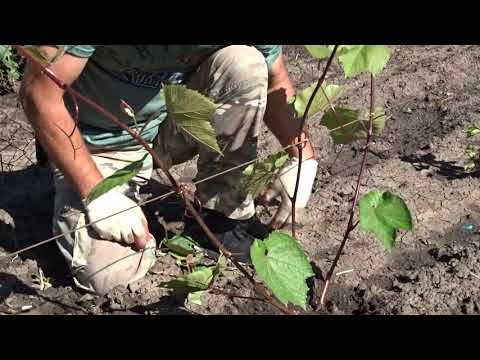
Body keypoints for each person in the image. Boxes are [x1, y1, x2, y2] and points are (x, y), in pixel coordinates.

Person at [20, 45, 318, 295]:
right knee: (109, 276)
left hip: (167, 125)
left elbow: (274, 78)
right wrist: (96, 192)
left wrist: (302, 156)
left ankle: (220, 216)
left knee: (245, 62)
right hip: (95, 147)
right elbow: (38, 93)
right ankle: (81, 188)